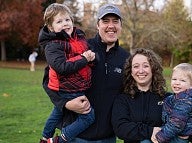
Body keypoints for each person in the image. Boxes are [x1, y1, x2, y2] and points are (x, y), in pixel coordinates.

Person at [41, 3, 130, 143]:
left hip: (107, 137)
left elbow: (130, 94)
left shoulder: (126, 58)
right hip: (75, 135)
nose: (111, 26)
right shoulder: (81, 47)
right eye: (105, 21)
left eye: (115, 21)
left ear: (121, 25)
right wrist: (65, 103)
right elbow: (49, 81)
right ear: (97, 25)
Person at [38, 3, 96, 143]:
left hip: (78, 85)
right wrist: (84, 58)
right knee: (88, 116)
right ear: (51, 27)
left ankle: (45, 137)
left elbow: (89, 56)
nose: (65, 24)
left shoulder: (79, 38)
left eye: (67, 20)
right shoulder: (53, 45)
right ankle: (62, 138)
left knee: (57, 112)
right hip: (68, 88)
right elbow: (61, 67)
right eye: (59, 21)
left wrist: (92, 58)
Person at [111, 48, 169, 143]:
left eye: (146, 66)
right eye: (136, 66)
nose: (141, 71)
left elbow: (181, 122)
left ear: (153, 69)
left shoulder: (167, 98)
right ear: (131, 72)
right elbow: (120, 128)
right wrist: (150, 131)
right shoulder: (123, 99)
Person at [151, 63, 192, 143]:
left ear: (191, 85)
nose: (177, 82)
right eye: (174, 79)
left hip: (179, 137)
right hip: (174, 133)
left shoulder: (185, 101)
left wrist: (160, 137)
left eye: (182, 80)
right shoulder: (176, 97)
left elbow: (177, 123)